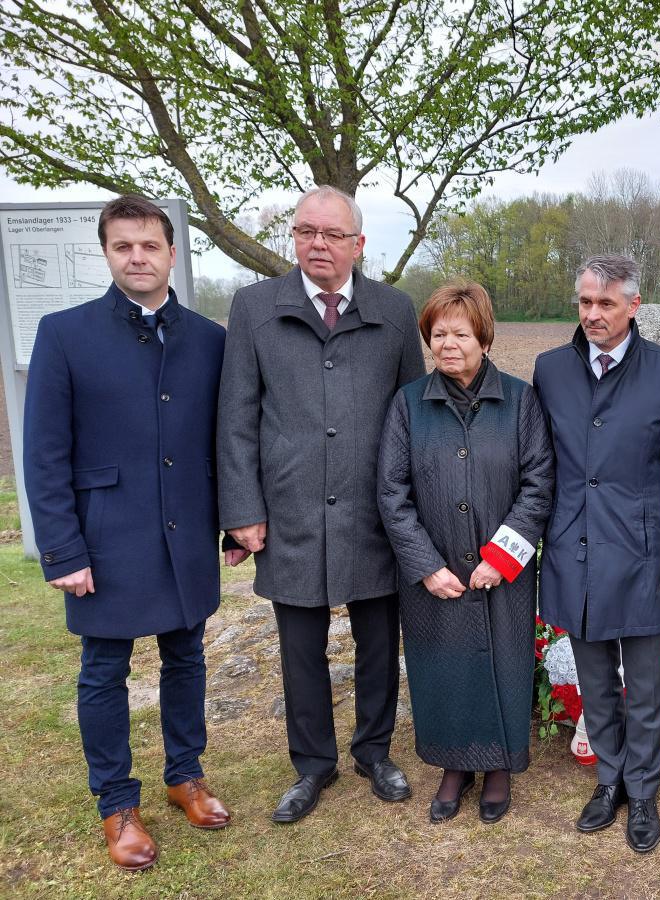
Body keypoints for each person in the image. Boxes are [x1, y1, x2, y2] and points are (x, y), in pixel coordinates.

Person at [23, 195, 231, 871]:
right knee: (103, 673)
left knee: (187, 656)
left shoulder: (209, 338)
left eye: (149, 245)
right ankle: (117, 803)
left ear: (172, 253)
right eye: (123, 247)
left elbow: (224, 440)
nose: (138, 257)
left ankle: (185, 775)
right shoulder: (64, 334)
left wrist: (232, 520)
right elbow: (45, 453)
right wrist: (62, 548)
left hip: (186, 534)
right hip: (105, 538)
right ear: (107, 253)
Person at [217, 185, 426, 823]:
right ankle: (312, 765)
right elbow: (236, 418)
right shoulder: (254, 308)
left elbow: (415, 416)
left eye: (334, 234)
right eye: (307, 231)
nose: (318, 244)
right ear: (294, 238)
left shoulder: (392, 310)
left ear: (359, 244)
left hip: (375, 511)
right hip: (291, 511)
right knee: (300, 646)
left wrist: (415, 509)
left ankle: (374, 751)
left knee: (376, 642)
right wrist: (241, 508)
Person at [534, 255, 660, 854]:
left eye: (606, 304)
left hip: (644, 554)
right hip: (573, 550)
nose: (593, 314)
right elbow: (542, 467)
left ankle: (644, 788)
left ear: (633, 306)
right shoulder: (550, 370)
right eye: (585, 303)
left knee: (650, 685)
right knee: (596, 678)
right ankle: (610, 781)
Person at [377, 280, 553, 824]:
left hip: (505, 571)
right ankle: (454, 766)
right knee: (442, 666)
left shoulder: (521, 400)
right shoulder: (408, 404)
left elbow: (539, 482)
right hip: (437, 572)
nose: (447, 343)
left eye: (459, 333)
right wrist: (426, 565)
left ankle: (499, 767)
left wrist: (502, 558)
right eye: (437, 333)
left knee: (504, 659)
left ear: (483, 336)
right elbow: (391, 490)